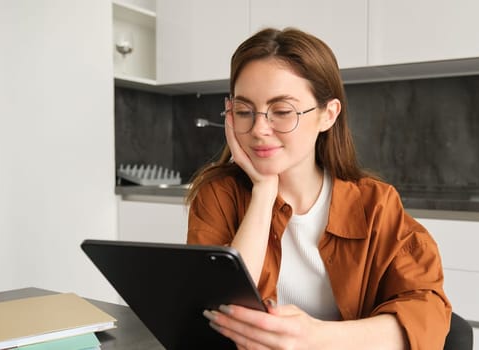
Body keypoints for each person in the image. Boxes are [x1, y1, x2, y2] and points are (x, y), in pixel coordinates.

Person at [187, 27, 451, 349]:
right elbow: (213, 318)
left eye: (282, 111)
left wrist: (313, 337)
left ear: (328, 115)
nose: (258, 129)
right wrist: (264, 192)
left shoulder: (376, 206)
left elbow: (427, 311)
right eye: (244, 111)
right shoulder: (218, 196)